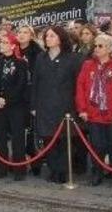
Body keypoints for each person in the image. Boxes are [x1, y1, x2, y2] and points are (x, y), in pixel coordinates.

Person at [76, 34, 112, 188]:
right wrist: (82, 109)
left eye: (100, 46)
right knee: (97, 146)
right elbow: (80, 87)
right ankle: (97, 173)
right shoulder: (88, 65)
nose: (97, 48)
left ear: (109, 48)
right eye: (96, 45)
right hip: (93, 114)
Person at [31, 26, 82, 184]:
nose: (48, 38)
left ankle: (62, 171)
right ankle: (54, 169)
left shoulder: (73, 58)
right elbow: (35, 83)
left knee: (64, 140)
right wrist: (33, 106)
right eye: (47, 36)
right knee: (48, 139)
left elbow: (78, 84)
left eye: (52, 36)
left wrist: (78, 106)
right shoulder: (41, 57)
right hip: (44, 105)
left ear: (61, 38)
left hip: (66, 106)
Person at [0, 33, 29, 180]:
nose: (2, 44)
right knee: (0, 137)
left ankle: (19, 169)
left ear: (13, 46)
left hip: (15, 106)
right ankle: (2, 167)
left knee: (18, 138)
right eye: (1, 42)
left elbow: (21, 84)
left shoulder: (20, 63)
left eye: (5, 42)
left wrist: (7, 99)